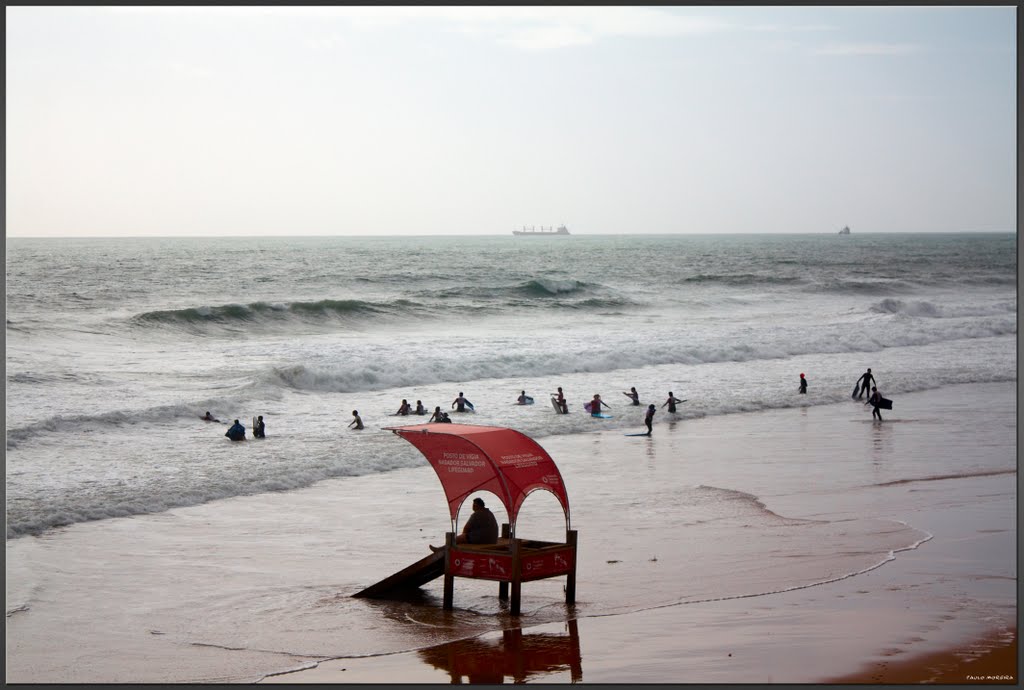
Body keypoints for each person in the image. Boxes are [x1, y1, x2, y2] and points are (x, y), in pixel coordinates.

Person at [431, 497, 498, 551]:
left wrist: (464, 537)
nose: (473, 507)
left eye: (474, 505)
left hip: (482, 539)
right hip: (493, 540)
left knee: (456, 539)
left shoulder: (476, 514)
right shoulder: (489, 513)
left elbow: (466, 528)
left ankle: (440, 550)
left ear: (477, 506)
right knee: (465, 537)